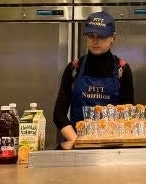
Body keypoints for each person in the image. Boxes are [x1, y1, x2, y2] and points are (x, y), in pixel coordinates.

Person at [53, 11, 134, 143]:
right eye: (91, 36)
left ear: (113, 37)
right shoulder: (74, 68)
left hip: (111, 145)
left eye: (101, 37)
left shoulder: (122, 70)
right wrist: (78, 142)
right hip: (76, 143)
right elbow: (59, 114)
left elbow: (128, 115)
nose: (95, 41)